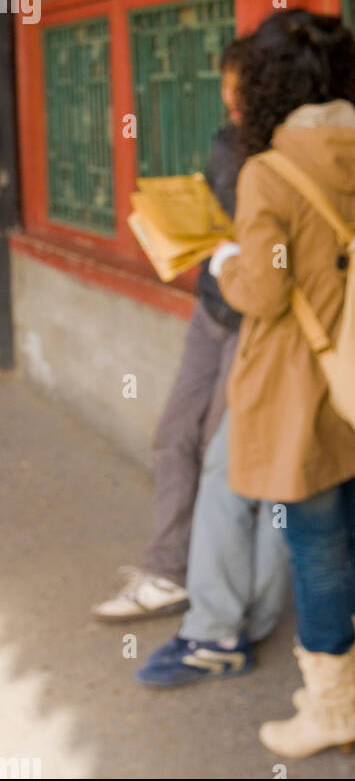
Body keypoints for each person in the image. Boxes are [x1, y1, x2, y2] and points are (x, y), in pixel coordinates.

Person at [211, 10, 355, 758]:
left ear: (269, 83)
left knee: (315, 549)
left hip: (301, 390)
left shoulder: (268, 172)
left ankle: (330, 709)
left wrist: (222, 266)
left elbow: (264, 293)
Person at [92, 39, 248, 622]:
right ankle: (166, 570)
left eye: (241, 87)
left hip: (253, 318)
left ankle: (213, 599)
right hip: (212, 308)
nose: (230, 99)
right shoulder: (227, 141)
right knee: (173, 433)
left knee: (217, 451)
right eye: (226, 85)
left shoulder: (280, 151)